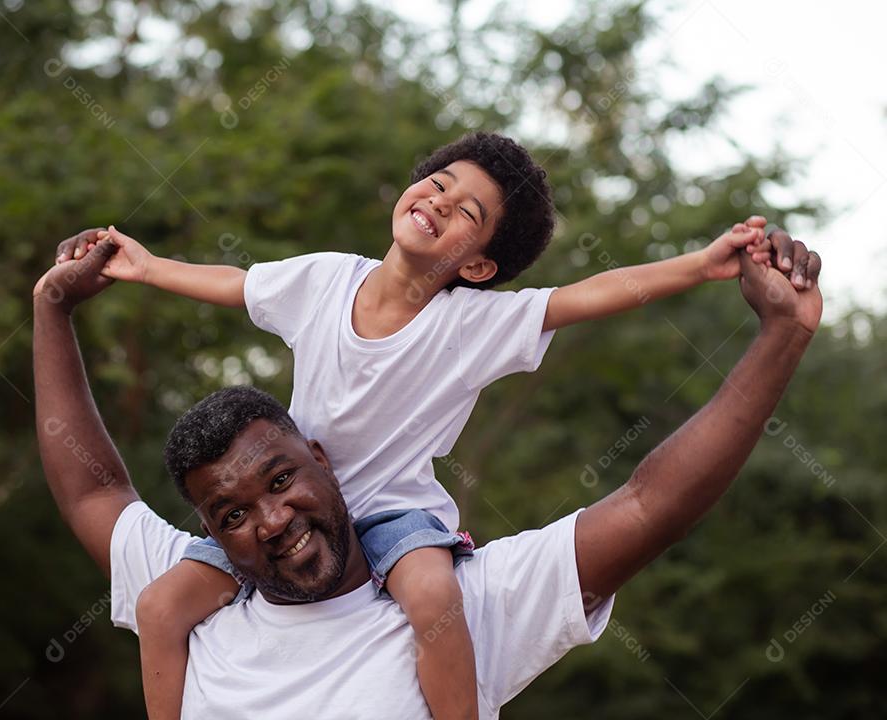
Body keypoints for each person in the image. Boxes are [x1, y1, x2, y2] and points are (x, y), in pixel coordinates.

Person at [68, 131, 787, 720]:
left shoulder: (473, 324)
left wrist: (701, 265)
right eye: (439, 184)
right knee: (160, 605)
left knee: (436, 601)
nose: (440, 202)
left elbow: (589, 294)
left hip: (392, 517)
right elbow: (236, 284)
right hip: (290, 502)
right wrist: (149, 267)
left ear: (477, 265)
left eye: (467, 211)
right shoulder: (324, 279)